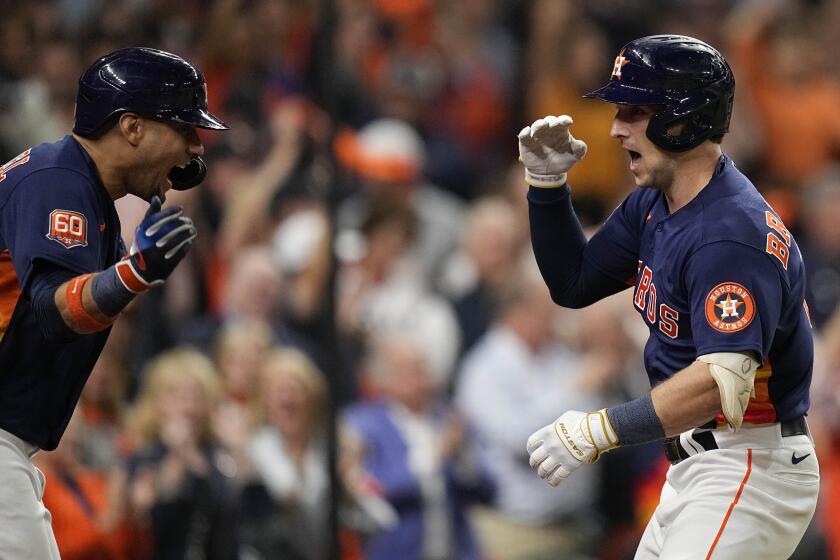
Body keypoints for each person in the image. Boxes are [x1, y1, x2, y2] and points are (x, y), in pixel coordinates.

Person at [518, 35, 818, 559]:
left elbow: (720, 385)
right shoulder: (658, 202)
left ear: (683, 119)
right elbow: (575, 282)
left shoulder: (730, 235)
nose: (616, 127)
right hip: (700, 466)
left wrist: (602, 428)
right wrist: (547, 187)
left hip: (750, 465)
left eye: (634, 110)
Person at [0, 46, 228, 558]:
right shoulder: (57, 178)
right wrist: (135, 273)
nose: (196, 147)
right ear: (131, 127)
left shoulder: (81, 191)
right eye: (184, 128)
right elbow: (54, 310)